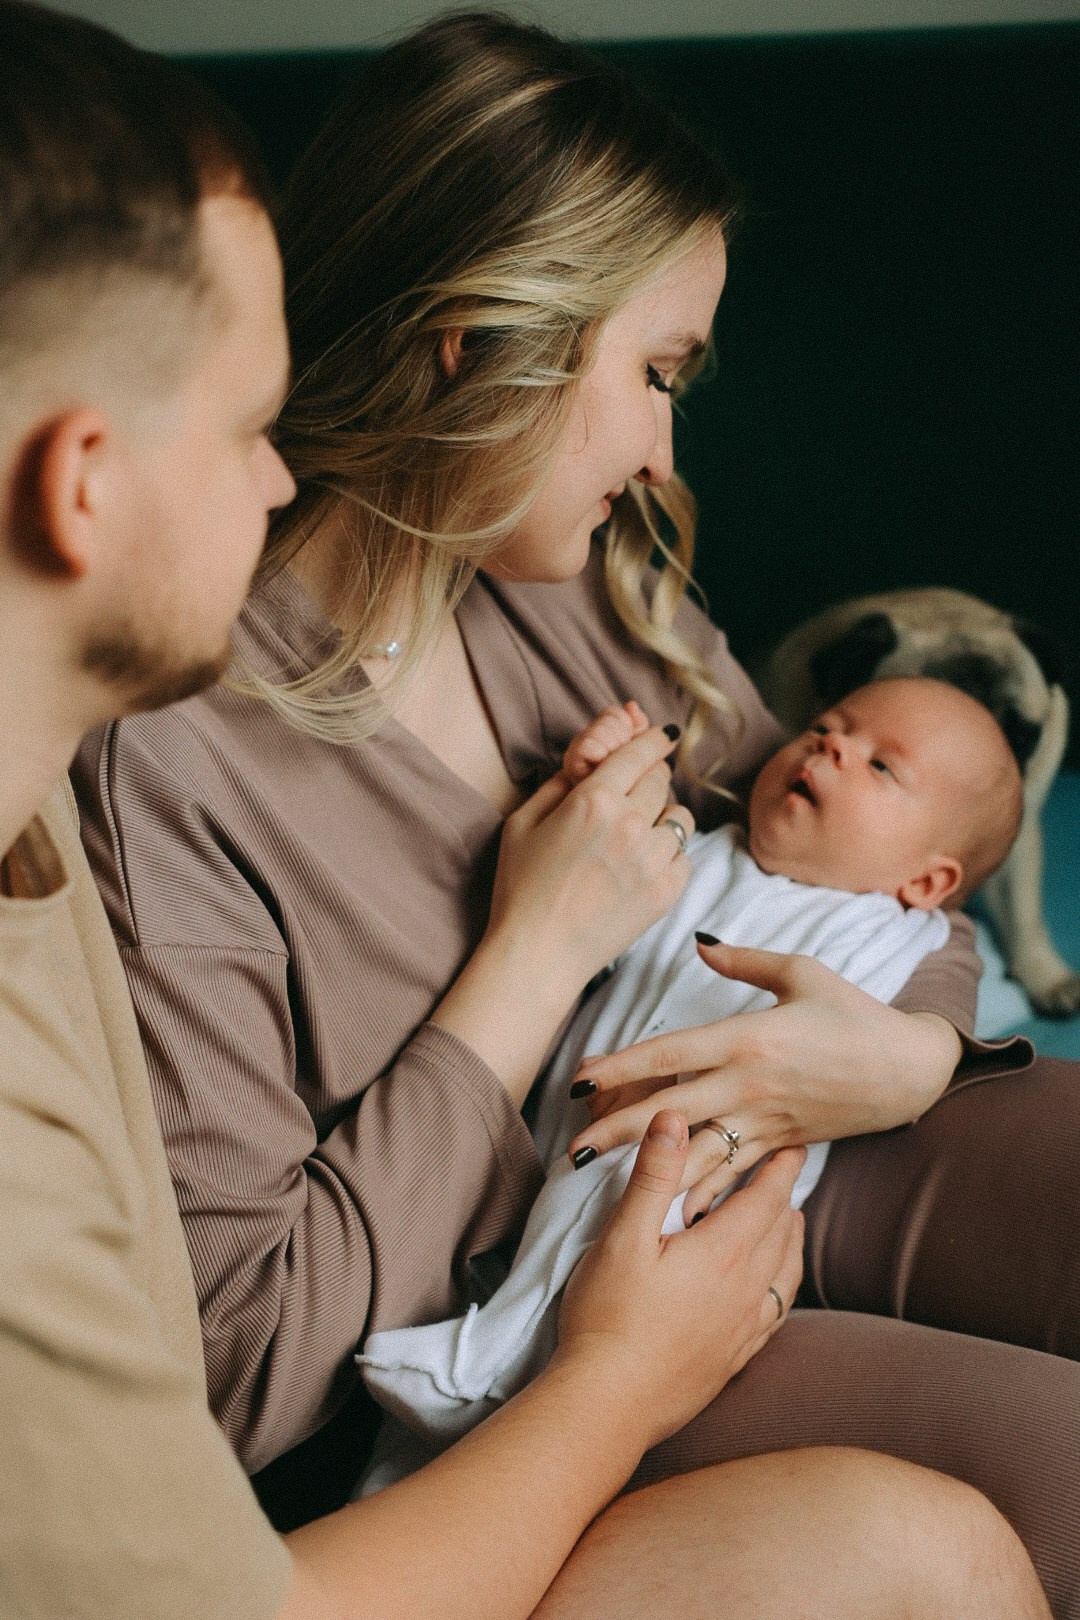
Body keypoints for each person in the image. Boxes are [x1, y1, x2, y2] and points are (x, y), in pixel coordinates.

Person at [4, 6, 1045, 1620]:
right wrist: (529, 961)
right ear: (481, 343)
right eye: (654, 376)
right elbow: (244, 1372)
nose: (663, 449)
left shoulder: (570, 593)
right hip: (525, 1323)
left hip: (773, 1151)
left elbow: (872, 861)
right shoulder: (161, 761)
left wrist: (908, 1044)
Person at [358, 676, 1023, 1453]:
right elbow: (596, 902)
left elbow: (936, 1014)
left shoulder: (895, 936)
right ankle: (454, 1402)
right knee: (545, 1226)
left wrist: (924, 1047)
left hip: (710, 1172)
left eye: (881, 767)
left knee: (624, 1212)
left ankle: (484, 1362)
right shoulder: (705, 855)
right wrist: (601, 784)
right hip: (571, 1126)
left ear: (928, 882)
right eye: (826, 726)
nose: (831, 745)